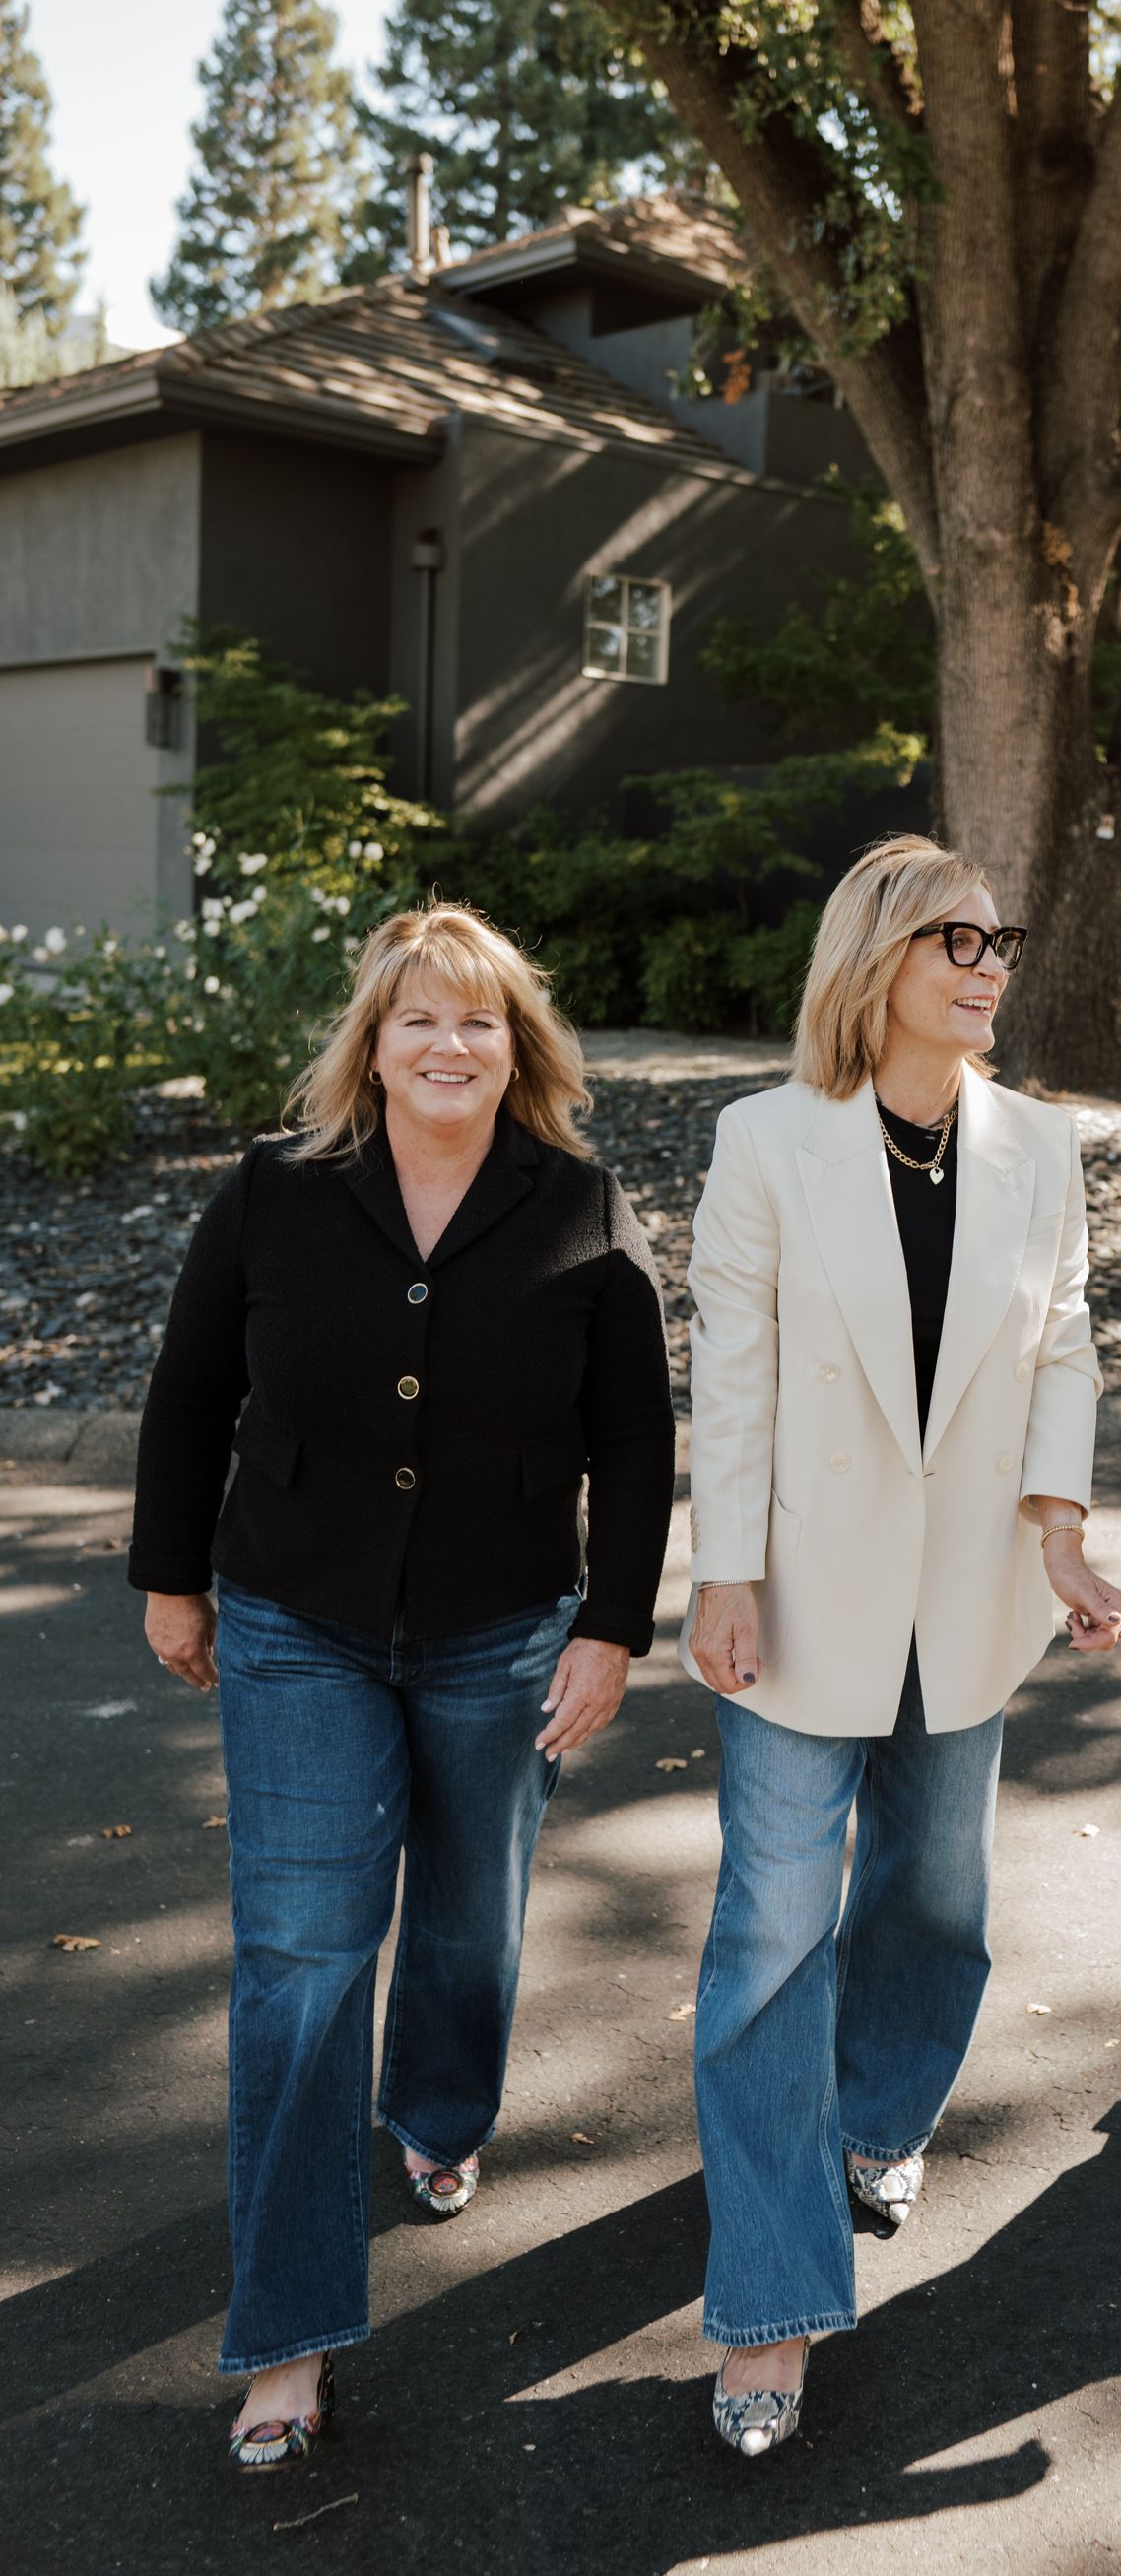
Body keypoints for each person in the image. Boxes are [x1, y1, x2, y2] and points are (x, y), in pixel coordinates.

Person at [129, 902, 675, 2472]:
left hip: (505, 1624)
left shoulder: (581, 1206)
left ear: (523, 1050)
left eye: (480, 1022)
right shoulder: (276, 1193)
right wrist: (172, 1575)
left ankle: (438, 2110)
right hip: (297, 1616)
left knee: (465, 1913)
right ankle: (287, 2344)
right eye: (418, 1020)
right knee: (301, 1957)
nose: (449, 1045)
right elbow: (190, 1389)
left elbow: (635, 1437)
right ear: (371, 1043)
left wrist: (612, 1628)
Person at [684, 833, 1121, 2457]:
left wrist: (1061, 1530)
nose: (991, 962)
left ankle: (876, 2116)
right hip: (800, 1594)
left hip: (971, 1600)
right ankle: (772, 2304)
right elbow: (730, 1373)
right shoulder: (766, 1143)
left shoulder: (1042, 1146)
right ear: (877, 958)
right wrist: (721, 1570)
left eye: (1001, 938)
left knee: (936, 1898)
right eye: (959, 938)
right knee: (771, 1933)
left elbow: (1064, 1344)